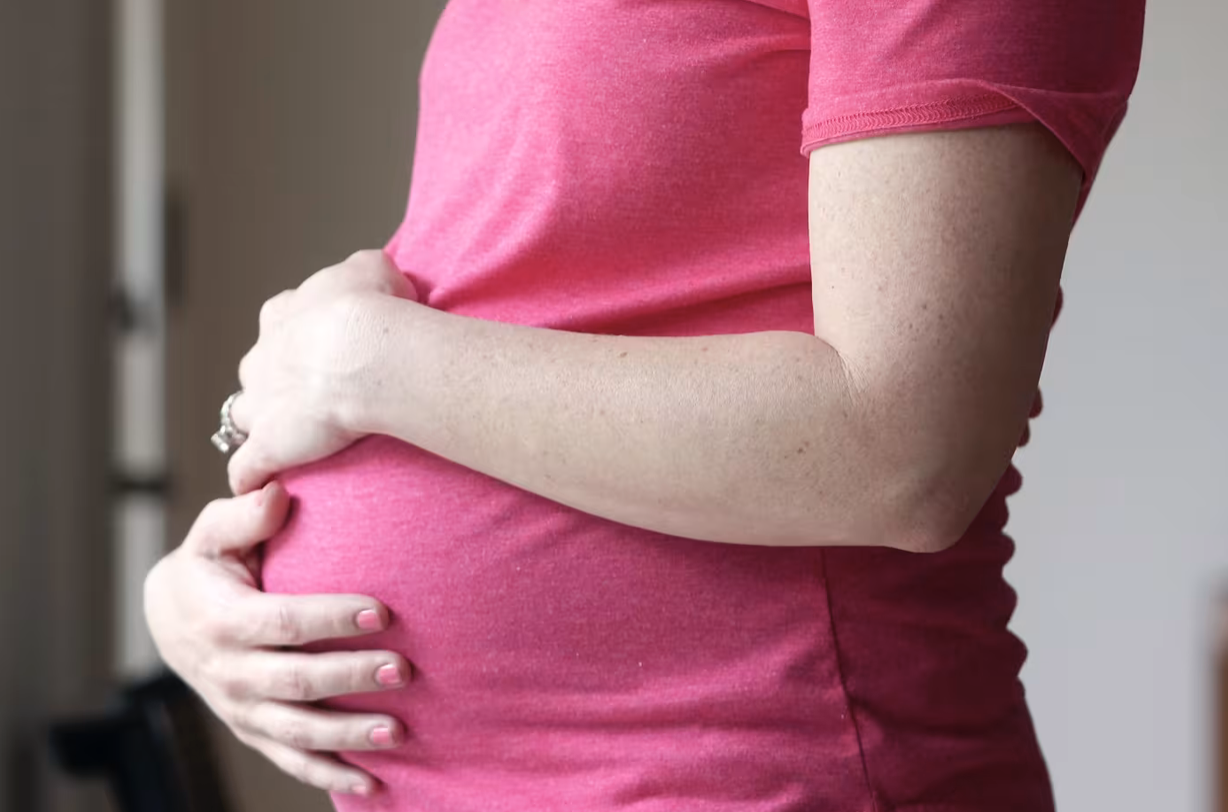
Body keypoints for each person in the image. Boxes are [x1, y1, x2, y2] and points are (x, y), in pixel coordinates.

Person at [144, 1, 1145, 810]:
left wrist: (368, 361)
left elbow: (902, 446)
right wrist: (227, 567)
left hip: (757, 767)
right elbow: (532, 299)